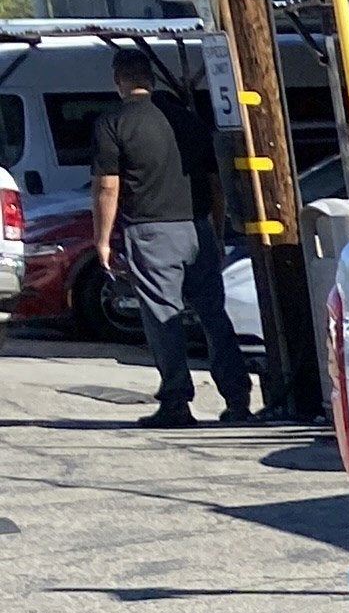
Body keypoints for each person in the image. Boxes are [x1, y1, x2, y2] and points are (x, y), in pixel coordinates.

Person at [87, 48, 255, 427]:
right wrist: (213, 226)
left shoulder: (113, 123)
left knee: (163, 317)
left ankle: (177, 401)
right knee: (214, 315)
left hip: (150, 230)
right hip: (196, 226)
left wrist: (101, 238)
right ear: (152, 77)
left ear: (119, 81)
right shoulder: (186, 120)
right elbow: (215, 183)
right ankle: (238, 398)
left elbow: (107, 187)